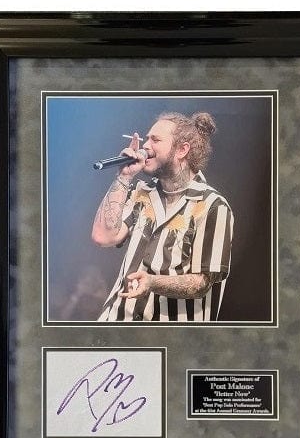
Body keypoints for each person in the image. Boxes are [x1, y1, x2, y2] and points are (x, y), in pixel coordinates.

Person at [92, 111, 234, 321]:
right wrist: (124, 176)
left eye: (155, 140)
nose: (145, 146)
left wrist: (152, 282)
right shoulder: (141, 193)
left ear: (182, 150)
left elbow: (202, 282)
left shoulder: (212, 206)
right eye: (147, 139)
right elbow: (103, 237)